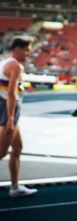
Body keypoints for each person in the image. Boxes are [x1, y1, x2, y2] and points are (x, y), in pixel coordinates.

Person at [0, 37, 38, 198]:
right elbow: (11, 94)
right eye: (27, 50)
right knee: (1, 152)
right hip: (8, 112)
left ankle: (15, 187)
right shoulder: (16, 65)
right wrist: (9, 118)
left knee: (17, 148)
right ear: (17, 49)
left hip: (8, 111)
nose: (29, 53)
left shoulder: (4, 62)